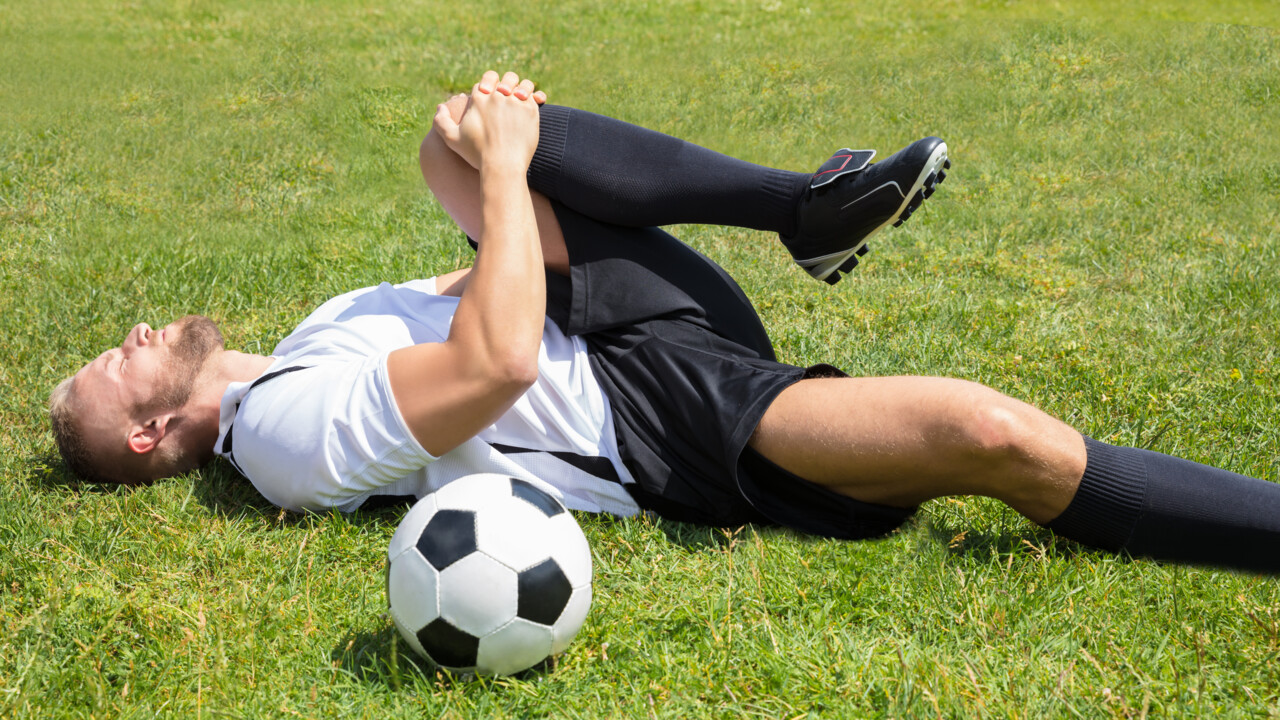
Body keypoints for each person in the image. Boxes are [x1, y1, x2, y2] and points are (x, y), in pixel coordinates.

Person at [50, 71, 1280, 574]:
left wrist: (496, 165)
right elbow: (497, 361)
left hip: (621, 326)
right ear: (149, 435)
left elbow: (487, 289)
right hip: (654, 419)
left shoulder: (316, 334)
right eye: (120, 360)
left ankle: (802, 208)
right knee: (993, 437)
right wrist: (508, 175)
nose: (139, 331)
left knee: (450, 135)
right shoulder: (281, 437)